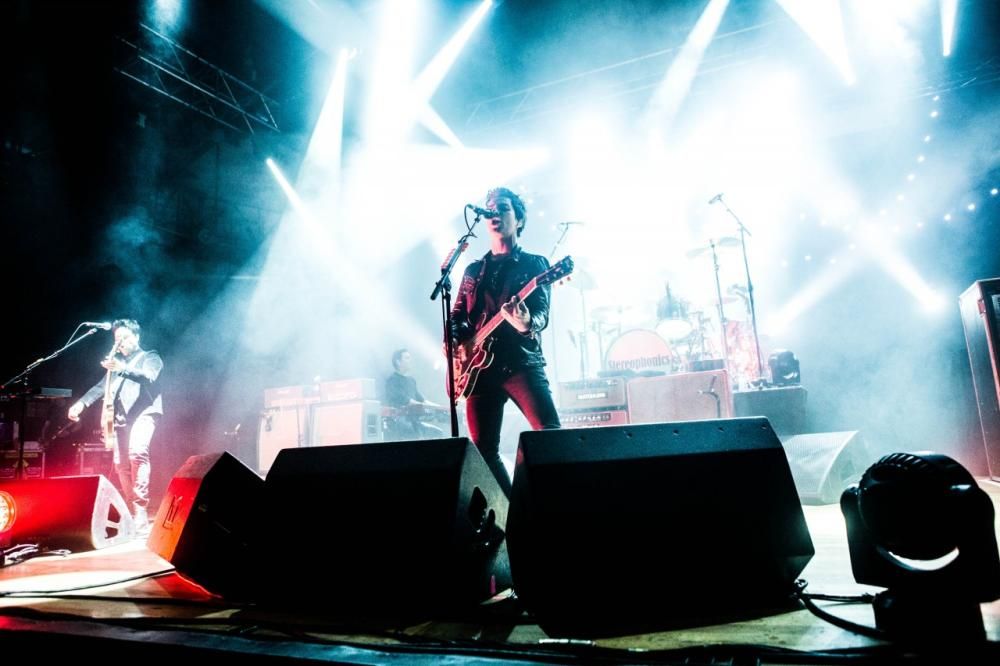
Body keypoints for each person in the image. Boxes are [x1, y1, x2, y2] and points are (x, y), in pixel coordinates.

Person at [449, 187, 561, 496]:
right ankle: (511, 510)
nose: (494, 213)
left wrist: (525, 322)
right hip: (478, 371)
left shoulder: (535, 265)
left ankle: (552, 505)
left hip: (520, 363)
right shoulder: (473, 270)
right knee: (483, 452)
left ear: (519, 219)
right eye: (490, 208)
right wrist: (455, 342)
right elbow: (457, 315)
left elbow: (541, 314)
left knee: (550, 436)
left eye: (503, 208)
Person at [68, 318, 163, 534]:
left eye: (124, 337)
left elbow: (150, 377)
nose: (119, 342)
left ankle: (140, 509)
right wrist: (81, 404)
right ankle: (131, 509)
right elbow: (100, 387)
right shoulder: (116, 364)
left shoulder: (150, 356)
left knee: (137, 453)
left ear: (136, 336)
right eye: (117, 338)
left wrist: (124, 368)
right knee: (120, 464)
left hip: (144, 414)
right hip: (120, 419)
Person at [383, 348, 444, 441]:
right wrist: (426, 406)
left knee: (437, 432)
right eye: (407, 358)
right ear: (398, 362)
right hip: (399, 421)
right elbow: (408, 401)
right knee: (415, 435)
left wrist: (440, 407)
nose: (410, 360)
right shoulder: (392, 380)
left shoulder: (411, 380)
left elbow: (423, 400)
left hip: (414, 421)